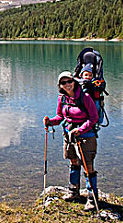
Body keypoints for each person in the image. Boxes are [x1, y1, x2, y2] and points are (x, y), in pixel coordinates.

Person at [43, 71, 100, 211]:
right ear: (60, 86)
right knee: (73, 161)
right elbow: (59, 116)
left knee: (88, 166)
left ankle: (92, 198)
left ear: (74, 81)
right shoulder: (62, 98)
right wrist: (50, 122)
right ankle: (73, 191)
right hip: (69, 134)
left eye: (69, 81)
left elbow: (94, 118)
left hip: (86, 136)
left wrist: (81, 129)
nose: (67, 84)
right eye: (63, 83)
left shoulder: (85, 97)